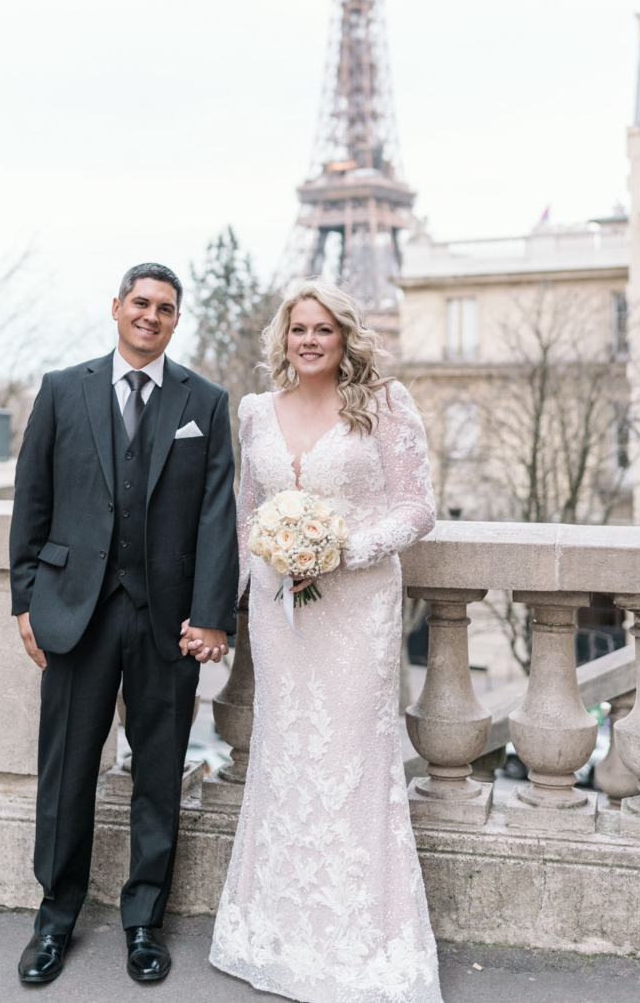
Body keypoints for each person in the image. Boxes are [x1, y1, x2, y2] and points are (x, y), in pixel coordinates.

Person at [209, 277, 443, 1003]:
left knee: (352, 759)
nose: (308, 340)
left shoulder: (383, 405)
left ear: (345, 338)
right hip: (284, 617)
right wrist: (238, 597)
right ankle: (278, 932)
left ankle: (360, 944)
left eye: (323, 329)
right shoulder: (255, 413)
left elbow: (418, 508)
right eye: (297, 329)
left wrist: (344, 549)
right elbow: (248, 518)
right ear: (283, 338)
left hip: (359, 609)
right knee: (287, 753)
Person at [9, 262, 239, 987]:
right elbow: (32, 498)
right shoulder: (61, 390)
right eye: (140, 303)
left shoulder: (205, 400)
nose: (151, 316)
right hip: (75, 613)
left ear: (176, 320)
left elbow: (216, 517)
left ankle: (144, 921)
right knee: (67, 770)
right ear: (116, 308)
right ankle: (55, 917)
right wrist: (24, 600)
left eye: (165, 308)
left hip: (167, 622)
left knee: (159, 777)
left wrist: (210, 617)